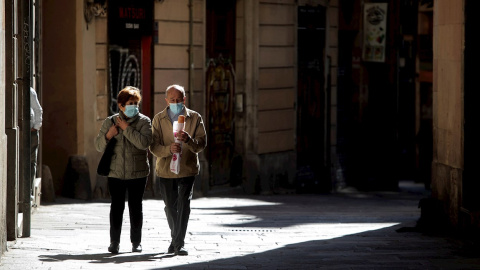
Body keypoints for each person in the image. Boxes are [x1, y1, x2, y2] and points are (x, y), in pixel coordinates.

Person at [149, 84, 207, 256]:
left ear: (184, 100)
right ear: (166, 100)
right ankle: (176, 239)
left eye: (179, 100)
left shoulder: (195, 118)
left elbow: (201, 144)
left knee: (184, 203)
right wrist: (169, 150)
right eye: (172, 100)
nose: (175, 103)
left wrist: (189, 140)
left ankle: (178, 243)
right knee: (170, 206)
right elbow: (153, 146)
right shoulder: (158, 119)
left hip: (187, 169)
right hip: (166, 170)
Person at [94, 86, 152, 254]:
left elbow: (144, 143)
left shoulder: (144, 122)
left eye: (136, 103)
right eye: (130, 103)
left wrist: (127, 128)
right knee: (116, 207)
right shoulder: (110, 122)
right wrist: (108, 135)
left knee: (136, 207)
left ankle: (136, 242)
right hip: (115, 172)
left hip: (138, 172)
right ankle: (114, 242)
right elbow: (98, 146)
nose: (134, 106)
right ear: (120, 105)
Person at [30, 87, 43, 202]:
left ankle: (28, 192)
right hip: (24, 131)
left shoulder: (30, 91)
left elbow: (38, 109)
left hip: (32, 133)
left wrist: (36, 127)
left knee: (31, 162)